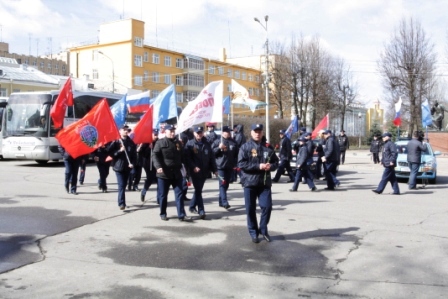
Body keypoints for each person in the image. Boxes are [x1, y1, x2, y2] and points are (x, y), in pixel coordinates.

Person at [238, 123, 279, 244]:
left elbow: (276, 163)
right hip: (249, 183)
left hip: (264, 183)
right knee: (250, 209)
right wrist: (258, 166)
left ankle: (263, 229)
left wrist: (270, 166)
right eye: (255, 131)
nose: (257, 133)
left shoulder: (268, 147)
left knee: (267, 207)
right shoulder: (245, 147)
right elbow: (241, 164)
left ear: (262, 133)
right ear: (251, 132)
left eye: (259, 131)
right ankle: (253, 232)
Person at [152, 124, 187, 221]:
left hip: (176, 173)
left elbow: (183, 157)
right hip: (164, 174)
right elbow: (155, 155)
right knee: (163, 195)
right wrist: (158, 166)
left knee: (179, 194)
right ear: (165, 132)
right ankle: (163, 213)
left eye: (173, 131)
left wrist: (187, 168)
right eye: (170, 131)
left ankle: (181, 214)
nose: (172, 133)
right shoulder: (160, 142)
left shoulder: (178, 143)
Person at [184, 126, 217, 219]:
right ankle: (201, 210)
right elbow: (188, 158)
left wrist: (215, 170)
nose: (199, 134)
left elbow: (211, 158)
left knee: (198, 190)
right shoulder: (190, 144)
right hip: (195, 172)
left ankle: (191, 206)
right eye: (197, 133)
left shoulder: (207, 144)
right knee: (198, 190)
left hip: (204, 171)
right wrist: (193, 167)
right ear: (194, 133)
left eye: (200, 132)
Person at [108, 125, 137, 210]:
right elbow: (110, 153)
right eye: (124, 130)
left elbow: (134, 155)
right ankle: (121, 203)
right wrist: (119, 151)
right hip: (118, 167)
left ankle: (122, 201)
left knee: (124, 185)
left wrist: (132, 164)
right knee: (121, 185)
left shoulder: (131, 142)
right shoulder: (116, 141)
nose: (126, 131)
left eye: (127, 130)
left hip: (127, 167)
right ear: (120, 131)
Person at [212, 125, 238, 209]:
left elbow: (236, 154)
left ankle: (221, 201)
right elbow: (212, 153)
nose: (229, 133)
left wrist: (236, 164)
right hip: (220, 167)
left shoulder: (233, 142)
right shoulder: (217, 141)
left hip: (229, 167)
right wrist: (219, 148)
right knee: (222, 184)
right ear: (223, 132)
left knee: (226, 185)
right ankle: (225, 202)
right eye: (227, 132)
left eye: (229, 132)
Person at [140, 129, 159, 202]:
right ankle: (144, 191)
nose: (156, 136)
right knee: (150, 180)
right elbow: (141, 153)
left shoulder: (159, 142)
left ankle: (159, 198)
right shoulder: (146, 142)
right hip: (149, 165)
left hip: (157, 165)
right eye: (154, 135)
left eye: (156, 135)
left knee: (159, 181)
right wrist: (149, 148)